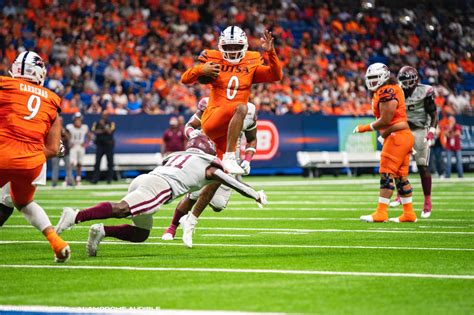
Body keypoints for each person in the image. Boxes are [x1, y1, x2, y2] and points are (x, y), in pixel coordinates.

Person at [55, 135, 267, 256]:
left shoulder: (176, 156)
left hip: (146, 179)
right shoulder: (209, 165)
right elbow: (231, 182)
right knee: (122, 209)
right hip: (160, 187)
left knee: (141, 234)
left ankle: (101, 231)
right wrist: (255, 195)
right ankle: (75, 216)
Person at [181, 27, 282, 174]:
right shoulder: (213, 59)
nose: (233, 51)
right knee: (244, 108)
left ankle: (228, 159)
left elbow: (276, 75)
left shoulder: (251, 61)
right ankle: (230, 156)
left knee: (217, 182)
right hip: (213, 117)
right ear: (221, 46)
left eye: (237, 47)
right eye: (229, 47)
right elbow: (185, 78)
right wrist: (200, 70)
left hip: (228, 130)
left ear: (244, 46)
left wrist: (271, 52)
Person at [0, 51, 70, 262]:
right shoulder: (52, 100)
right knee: (24, 203)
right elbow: (54, 149)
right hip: (32, 162)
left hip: (3, 154)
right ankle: (56, 242)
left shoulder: (4, 85)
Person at [162, 97, 258, 245]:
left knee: (218, 205)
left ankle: (188, 218)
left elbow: (252, 138)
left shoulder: (249, 110)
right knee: (193, 195)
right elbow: (190, 125)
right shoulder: (210, 103)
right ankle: (172, 227)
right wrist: (192, 134)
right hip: (207, 156)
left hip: (228, 161)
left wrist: (248, 159)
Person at [354, 63, 416, 223]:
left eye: (375, 78)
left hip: (398, 136)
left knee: (386, 173)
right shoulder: (388, 89)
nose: (373, 82)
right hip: (402, 135)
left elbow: (386, 119)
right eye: (370, 79)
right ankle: (409, 213)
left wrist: (364, 128)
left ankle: (381, 212)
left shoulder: (387, 90)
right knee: (401, 177)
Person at [389, 66, 438, 218]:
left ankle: (427, 202)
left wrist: (431, 131)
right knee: (397, 165)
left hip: (420, 129)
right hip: (403, 130)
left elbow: (433, 114)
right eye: (402, 80)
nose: (405, 83)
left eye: (407, 80)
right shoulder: (397, 91)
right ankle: (401, 194)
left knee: (422, 165)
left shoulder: (425, 91)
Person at [66, 112, 91, 185]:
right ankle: (68, 178)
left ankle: (78, 179)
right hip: (73, 147)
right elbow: (65, 136)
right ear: (74, 120)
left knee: (79, 164)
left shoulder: (84, 127)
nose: (78, 121)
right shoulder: (69, 127)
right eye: (77, 119)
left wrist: (86, 144)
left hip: (80, 146)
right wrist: (69, 143)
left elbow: (90, 136)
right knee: (71, 163)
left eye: (79, 119)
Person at [91, 113, 115, 184]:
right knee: (97, 163)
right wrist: (105, 130)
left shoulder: (111, 123)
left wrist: (103, 126)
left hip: (109, 145)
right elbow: (94, 131)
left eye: (105, 115)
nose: (104, 116)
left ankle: (109, 179)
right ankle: (95, 179)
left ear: (107, 116)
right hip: (99, 145)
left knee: (110, 163)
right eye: (103, 115)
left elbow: (110, 131)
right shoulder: (96, 123)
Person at [51, 116, 74, 187]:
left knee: (68, 167)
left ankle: (70, 182)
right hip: (56, 151)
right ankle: (54, 183)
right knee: (55, 167)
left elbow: (68, 138)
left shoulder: (66, 130)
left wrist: (63, 131)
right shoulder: (52, 129)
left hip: (65, 151)